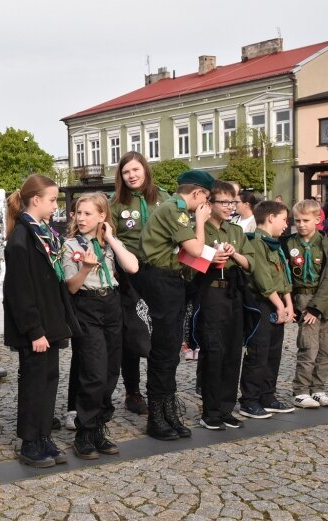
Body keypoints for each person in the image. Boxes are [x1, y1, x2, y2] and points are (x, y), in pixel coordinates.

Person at [3, 174, 80, 468]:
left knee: (49, 380)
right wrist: (34, 330)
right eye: (52, 200)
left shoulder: (43, 232)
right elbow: (19, 291)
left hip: (51, 322)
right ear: (36, 200)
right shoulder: (21, 239)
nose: (55, 205)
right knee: (34, 383)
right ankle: (30, 441)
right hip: (35, 328)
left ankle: (44, 434)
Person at [138, 169, 214, 441]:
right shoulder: (176, 209)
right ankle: (156, 417)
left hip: (169, 279)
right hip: (161, 280)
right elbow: (195, 249)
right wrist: (201, 221)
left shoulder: (174, 207)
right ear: (197, 193)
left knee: (171, 349)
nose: (205, 204)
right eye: (205, 198)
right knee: (164, 348)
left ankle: (168, 411)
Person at [63, 192, 138, 458]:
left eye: (87, 213)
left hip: (112, 305)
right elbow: (71, 287)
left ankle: (98, 429)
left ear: (102, 216)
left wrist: (112, 239)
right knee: (93, 372)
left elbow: (132, 267)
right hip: (87, 307)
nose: (81, 218)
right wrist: (84, 268)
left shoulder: (108, 244)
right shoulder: (72, 245)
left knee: (109, 373)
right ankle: (84, 431)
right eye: (78, 213)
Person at [107, 151, 168, 420]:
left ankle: (160, 387)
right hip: (129, 276)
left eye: (135, 170)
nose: (132, 175)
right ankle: (133, 391)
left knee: (161, 331)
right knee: (131, 334)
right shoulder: (116, 203)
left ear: (145, 169)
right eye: (126, 172)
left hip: (160, 272)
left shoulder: (163, 198)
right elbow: (109, 239)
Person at [191, 181, 255, 431]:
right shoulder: (200, 228)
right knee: (213, 351)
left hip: (233, 293)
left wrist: (234, 255)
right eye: (225, 202)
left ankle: (227, 408)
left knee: (232, 351)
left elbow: (251, 263)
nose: (231, 207)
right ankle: (210, 410)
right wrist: (211, 257)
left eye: (233, 202)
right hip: (210, 293)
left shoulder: (236, 231)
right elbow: (188, 262)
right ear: (210, 204)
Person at [239, 200, 295, 419]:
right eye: (283, 219)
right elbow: (262, 278)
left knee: (273, 352)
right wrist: (280, 305)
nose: (286, 225)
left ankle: (267, 396)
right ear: (270, 217)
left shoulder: (274, 244)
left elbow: (283, 275)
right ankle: (249, 400)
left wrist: (288, 303)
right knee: (258, 352)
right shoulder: (255, 242)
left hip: (277, 302)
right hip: (262, 303)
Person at [282, 200, 328, 409]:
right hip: (303, 299)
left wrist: (317, 308)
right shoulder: (288, 244)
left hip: (326, 301)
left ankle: (318, 389)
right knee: (308, 347)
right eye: (297, 220)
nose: (301, 224)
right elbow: (284, 275)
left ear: (318, 220)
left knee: (327, 348)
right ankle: (301, 390)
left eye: (306, 220)